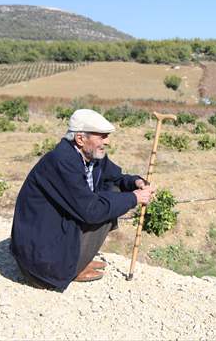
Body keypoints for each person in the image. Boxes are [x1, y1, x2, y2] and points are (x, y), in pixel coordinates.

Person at [10, 109, 154, 291]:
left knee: (113, 194)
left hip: (54, 232)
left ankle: (76, 261)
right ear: (80, 139)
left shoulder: (92, 155)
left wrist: (136, 182)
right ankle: (68, 269)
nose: (107, 141)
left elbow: (116, 178)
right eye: (102, 136)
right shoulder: (62, 162)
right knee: (104, 207)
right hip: (40, 263)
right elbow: (91, 211)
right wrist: (134, 198)